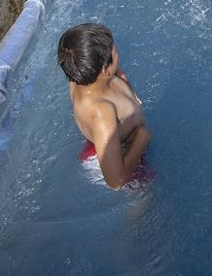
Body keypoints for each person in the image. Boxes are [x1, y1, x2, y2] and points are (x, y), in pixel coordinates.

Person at [56, 23, 151, 189]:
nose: (118, 53)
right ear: (105, 69)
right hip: (115, 157)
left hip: (104, 137)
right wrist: (142, 137)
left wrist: (123, 79)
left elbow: (112, 70)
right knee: (144, 194)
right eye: (115, 52)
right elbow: (116, 181)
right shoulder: (101, 111)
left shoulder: (79, 74)